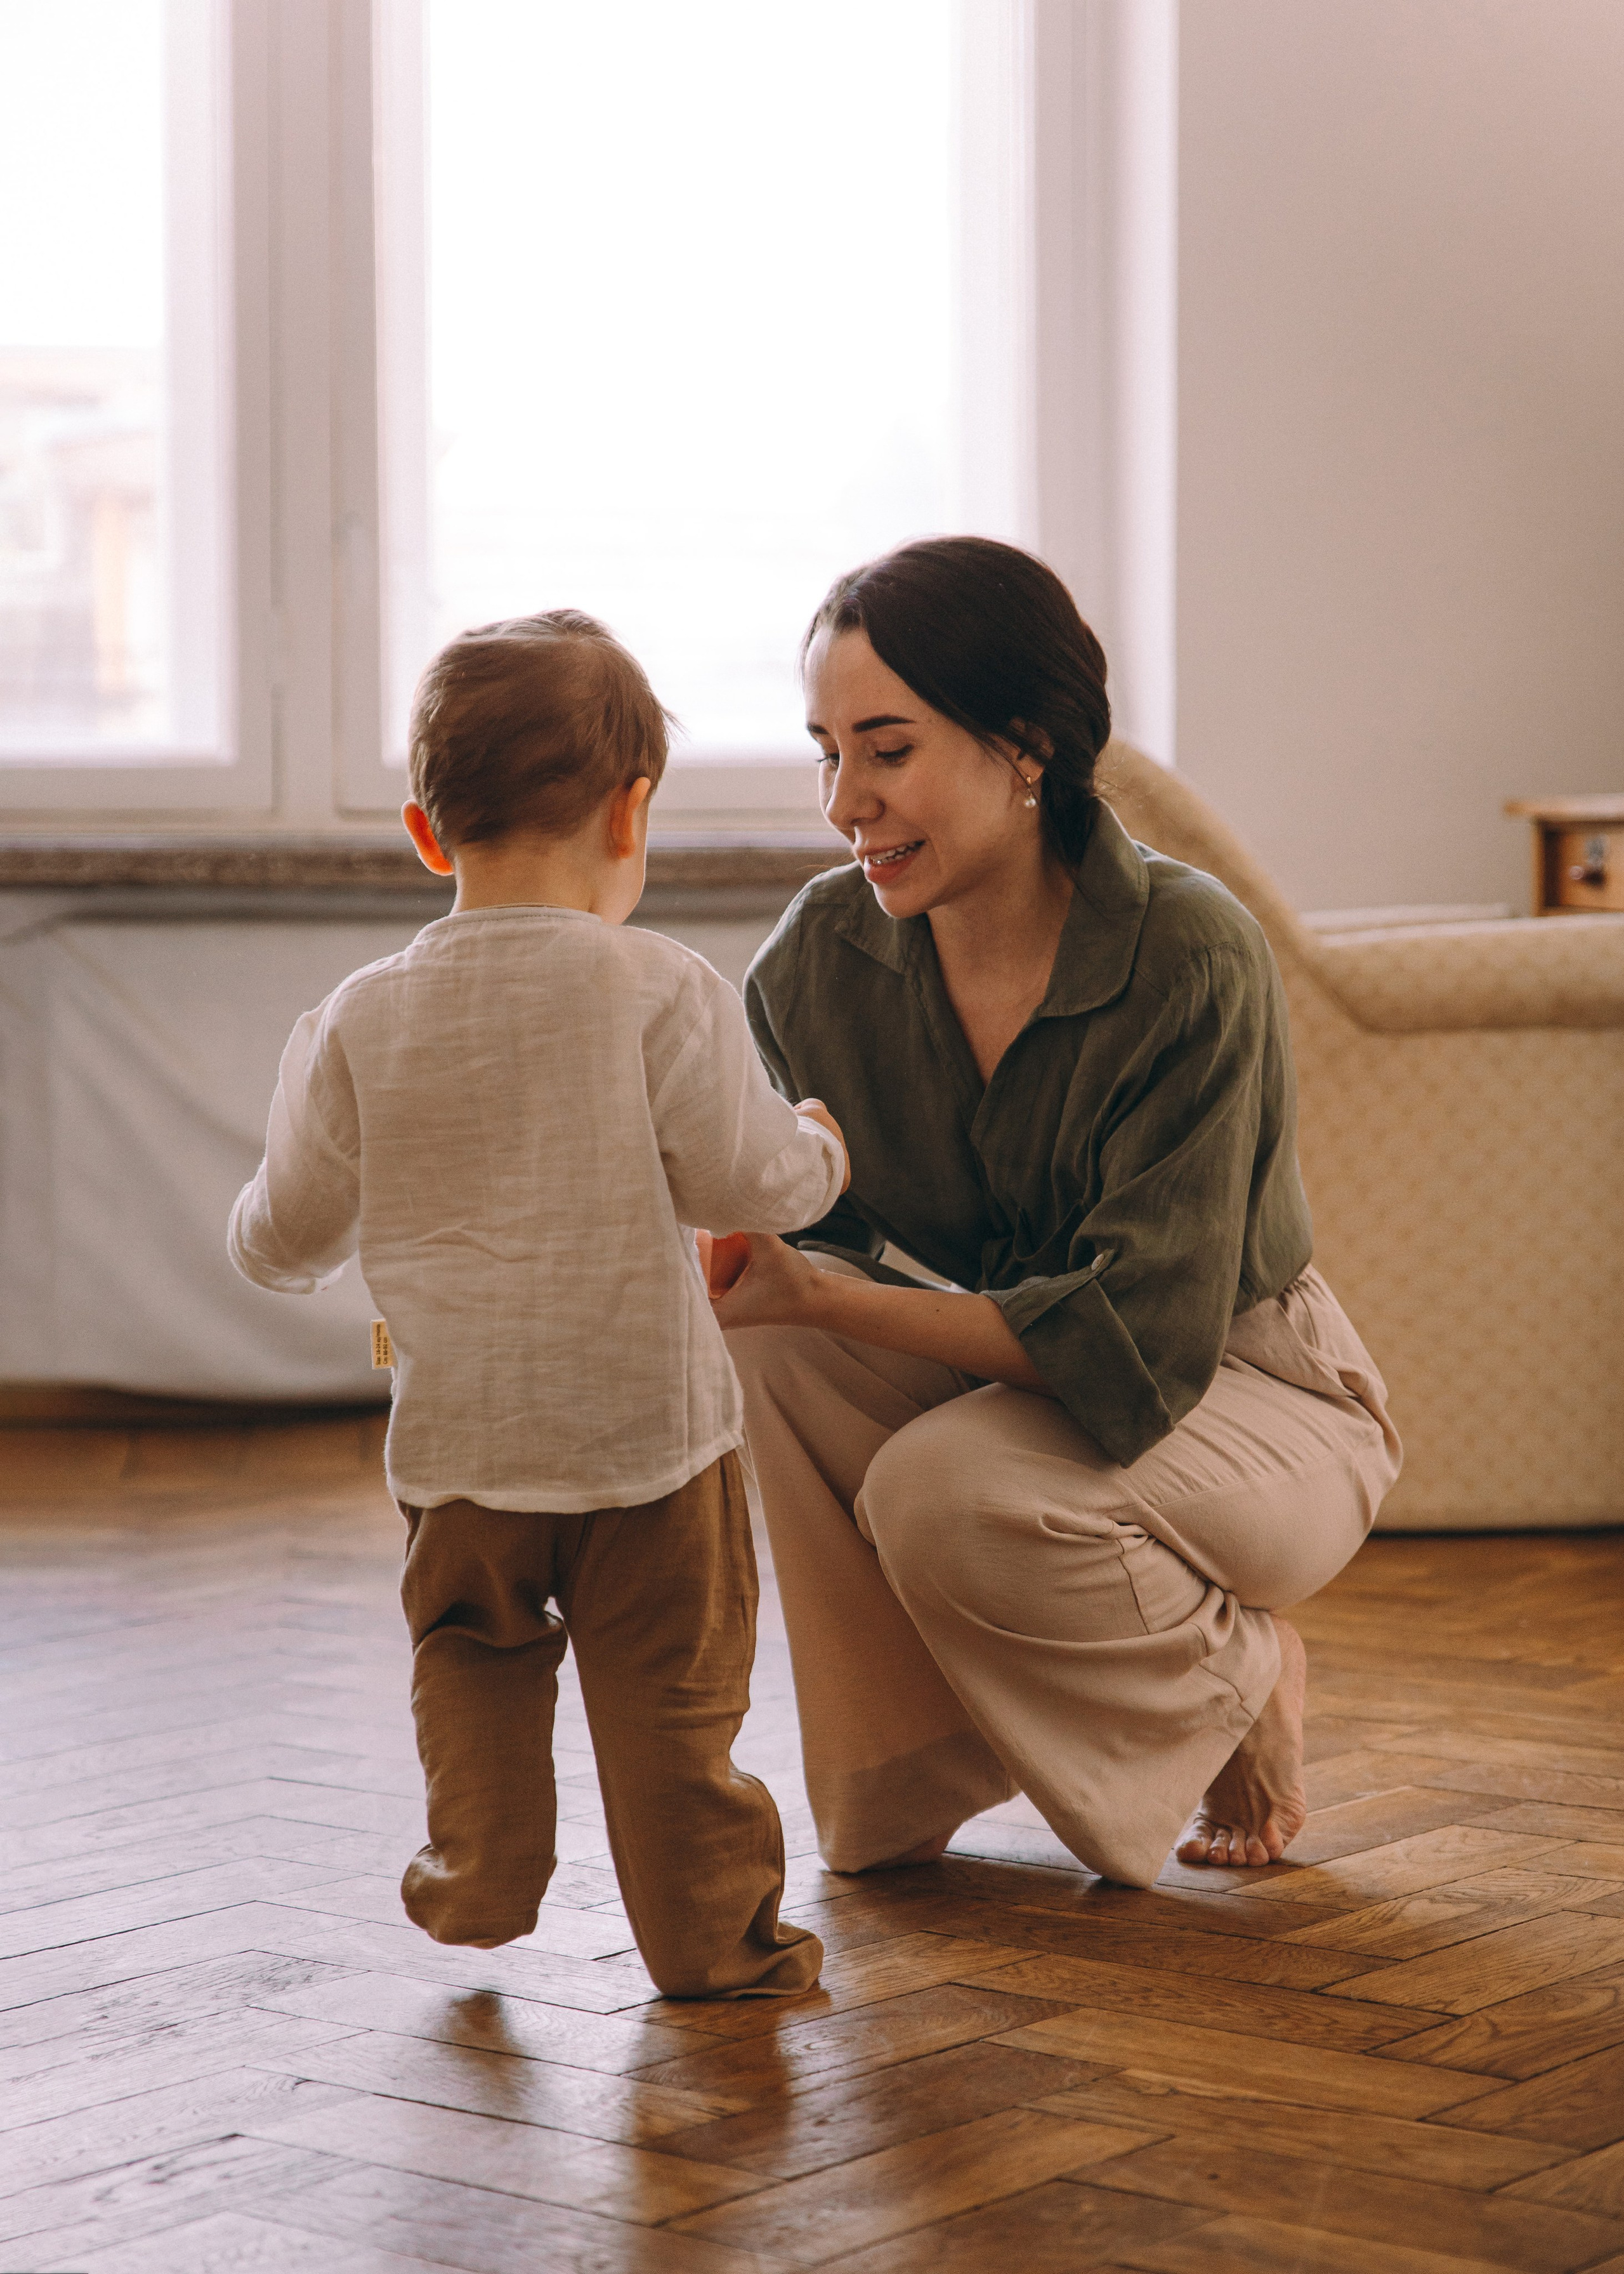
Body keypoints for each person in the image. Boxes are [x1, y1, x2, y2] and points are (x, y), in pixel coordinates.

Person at [712, 538, 1402, 1890]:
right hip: (1036, 1383)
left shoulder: (1188, 952)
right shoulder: (816, 959)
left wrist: (829, 1295)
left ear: (1022, 743)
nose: (844, 801)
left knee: (939, 1490)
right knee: (770, 1337)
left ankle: (1234, 1679)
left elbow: (1139, 1343)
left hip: (1244, 1387)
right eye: (823, 751)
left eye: (887, 749)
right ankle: (894, 1769)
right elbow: (800, 1242)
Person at [228, 609, 848, 1995]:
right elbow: (755, 1179)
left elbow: (288, 1233)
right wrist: (818, 1137)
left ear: (425, 832)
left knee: (471, 1659)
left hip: (463, 1453)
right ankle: (711, 1942)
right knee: (674, 1704)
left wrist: (251, 1221)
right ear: (631, 812)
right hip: (652, 1444)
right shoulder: (659, 987)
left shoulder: (354, 1020)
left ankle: (482, 1870)